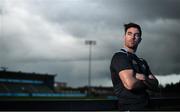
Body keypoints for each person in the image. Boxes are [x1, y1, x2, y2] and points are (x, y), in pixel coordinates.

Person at [110, 23, 159, 110]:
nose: (132, 37)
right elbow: (130, 84)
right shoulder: (120, 57)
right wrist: (148, 82)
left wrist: (143, 77)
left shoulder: (141, 61)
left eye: (136, 35)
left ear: (140, 39)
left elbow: (155, 85)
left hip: (147, 107)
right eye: (129, 34)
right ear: (124, 37)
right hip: (130, 108)